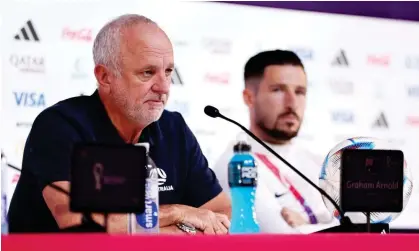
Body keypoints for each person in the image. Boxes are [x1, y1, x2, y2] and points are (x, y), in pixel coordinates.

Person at [8, 14, 231, 234]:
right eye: (147, 72)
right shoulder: (61, 126)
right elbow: (81, 223)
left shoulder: (174, 128)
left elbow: (221, 213)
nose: (163, 87)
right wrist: (176, 214)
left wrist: (165, 229)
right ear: (105, 76)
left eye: (168, 72)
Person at [212, 50, 337, 234]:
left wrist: (307, 226)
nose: (292, 103)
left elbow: (365, 230)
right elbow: (281, 241)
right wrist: (327, 224)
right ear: (249, 97)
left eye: (300, 92)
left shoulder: (319, 163)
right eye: (278, 90)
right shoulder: (237, 165)